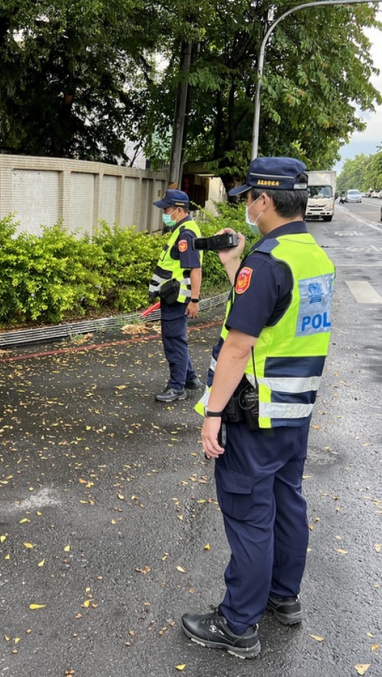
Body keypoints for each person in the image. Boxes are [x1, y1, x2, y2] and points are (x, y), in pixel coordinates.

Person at [182, 157, 335, 659]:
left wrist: (210, 414)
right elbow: (274, 319)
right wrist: (235, 264)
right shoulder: (312, 256)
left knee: (249, 514)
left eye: (249, 196)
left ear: (264, 200)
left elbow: (239, 345)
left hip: (255, 415)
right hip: (297, 413)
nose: (247, 204)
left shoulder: (267, 263)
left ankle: (237, 624)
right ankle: (282, 598)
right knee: (287, 502)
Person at [148, 189, 203, 402]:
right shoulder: (184, 229)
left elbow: (195, 269)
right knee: (177, 339)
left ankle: (177, 387)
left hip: (178, 298)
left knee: (174, 341)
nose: (164, 212)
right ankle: (189, 377)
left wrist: (194, 300)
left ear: (178, 210)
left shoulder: (185, 234)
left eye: (167, 209)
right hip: (175, 296)